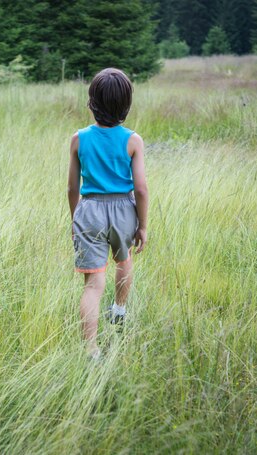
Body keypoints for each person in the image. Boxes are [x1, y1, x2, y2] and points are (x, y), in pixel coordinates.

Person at [67, 68, 149, 360]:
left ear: (92, 103)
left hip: (89, 210)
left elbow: (71, 188)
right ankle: (119, 310)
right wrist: (142, 225)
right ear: (126, 105)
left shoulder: (79, 138)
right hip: (124, 209)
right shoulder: (133, 140)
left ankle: (91, 350)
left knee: (92, 284)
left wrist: (75, 219)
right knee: (123, 256)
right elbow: (140, 189)